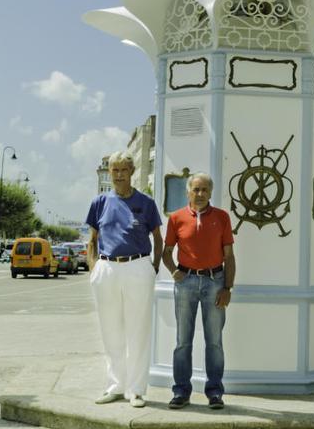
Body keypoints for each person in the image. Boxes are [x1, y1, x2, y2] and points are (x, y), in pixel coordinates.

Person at [85, 151, 163, 408]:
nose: (118, 175)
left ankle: (136, 390)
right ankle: (115, 385)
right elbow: (93, 240)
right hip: (107, 268)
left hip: (138, 266)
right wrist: (93, 268)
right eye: (114, 171)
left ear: (131, 172)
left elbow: (158, 238)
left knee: (138, 330)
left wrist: (152, 267)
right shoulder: (99, 202)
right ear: (110, 173)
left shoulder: (146, 203)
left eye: (123, 170)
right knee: (111, 330)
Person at [161, 172, 236, 410]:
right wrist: (174, 271)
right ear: (188, 192)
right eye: (196, 189)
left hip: (215, 282)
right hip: (186, 284)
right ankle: (181, 391)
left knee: (214, 341)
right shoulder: (176, 218)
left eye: (205, 189)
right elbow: (166, 252)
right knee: (183, 341)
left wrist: (227, 287)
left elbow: (229, 256)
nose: (200, 194)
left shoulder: (222, 218)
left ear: (211, 192)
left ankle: (214, 392)